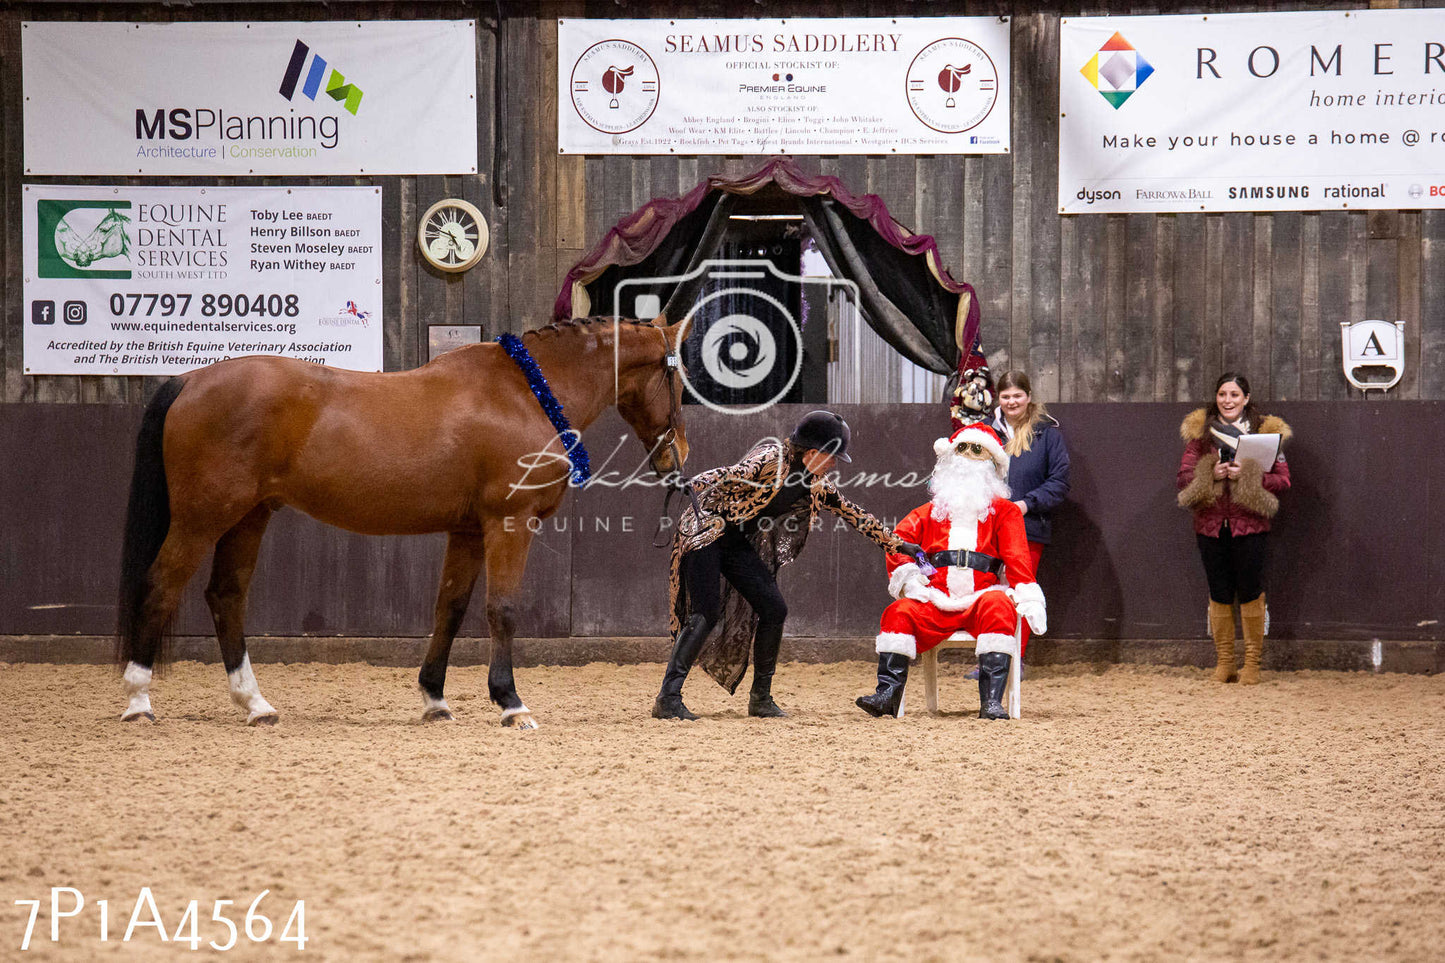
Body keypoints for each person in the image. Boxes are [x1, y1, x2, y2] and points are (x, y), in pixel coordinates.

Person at [654, 411, 922, 721]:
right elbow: (730, 472)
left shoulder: (817, 483)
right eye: (832, 456)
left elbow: (854, 514)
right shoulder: (771, 459)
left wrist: (897, 544)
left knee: (774, 608)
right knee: (705, 612)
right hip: (705, 529)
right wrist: (688, 482)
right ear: (812, 453)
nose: (835, 463)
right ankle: (668, 698)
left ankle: (761, 699)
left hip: (734, 540)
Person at [856, 422, 1047, 720]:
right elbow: (898, 544)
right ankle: (887, 695)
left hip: (981, 599)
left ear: (992, 464)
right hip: (936, 598)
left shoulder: (1005, 513)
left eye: (977, 451)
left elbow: (1018, 558)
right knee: (898, 612)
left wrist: (1029, 596)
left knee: (1000, 606)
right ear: (949, 459)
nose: (968, 457)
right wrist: (912, 581)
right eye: (961, 449)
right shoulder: (929, 512)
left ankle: (992, 702)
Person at [1176, 372, 1291, 685]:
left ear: (1246, 398)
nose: (1228, 400)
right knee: (1219, 592)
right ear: (1216, 397)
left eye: (1234, 395)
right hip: (1210, 526)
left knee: (1251, 592)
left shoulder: (1266, 434)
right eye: (1223, 394)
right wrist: (1210, 472)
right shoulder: (1200, 435)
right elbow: (1183, 479)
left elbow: (1283, 479)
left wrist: (1249, 475)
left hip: (1251, 525)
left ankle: (1252, 663)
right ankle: (1225, 662)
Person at [989, 370, 1070, 661]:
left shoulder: (1047, 434)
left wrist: (1026, 504)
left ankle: (1011, 661)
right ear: (998, 399)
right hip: (986, 529)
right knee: (989, 593)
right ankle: (990, 657)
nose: (1012, 402)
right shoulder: (984, 433)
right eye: (1006, 396)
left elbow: (1059, 482)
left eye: (1017, 396)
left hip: (1029, 527)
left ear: (1029, 397)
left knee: (1021, 592)